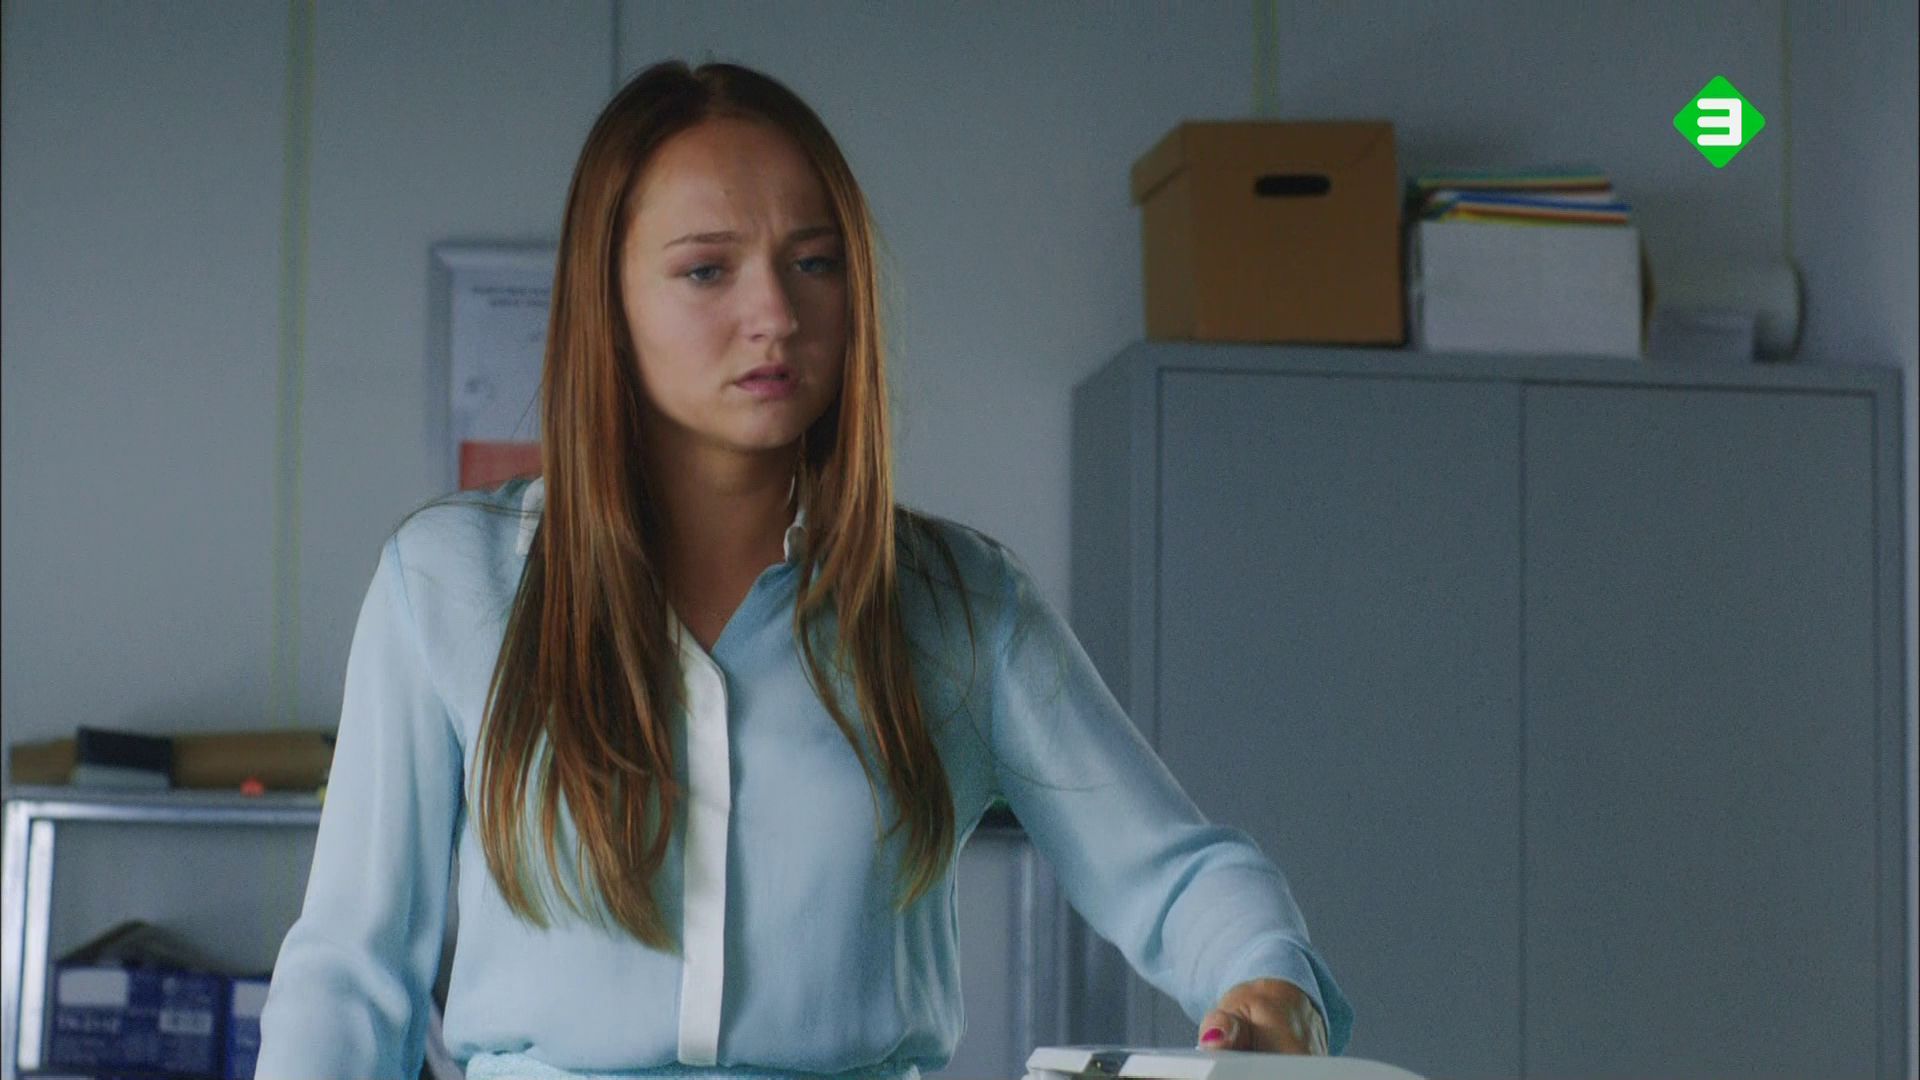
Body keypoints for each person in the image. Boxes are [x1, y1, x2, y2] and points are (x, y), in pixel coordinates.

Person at [254, 58, 1352, 1080]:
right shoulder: (447, 584)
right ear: (607, 301)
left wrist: (1269, 981)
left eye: (814, 263)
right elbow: (351, 974)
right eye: (707, 270)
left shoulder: (963, 607)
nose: (775, 315)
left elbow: (1179, 872)